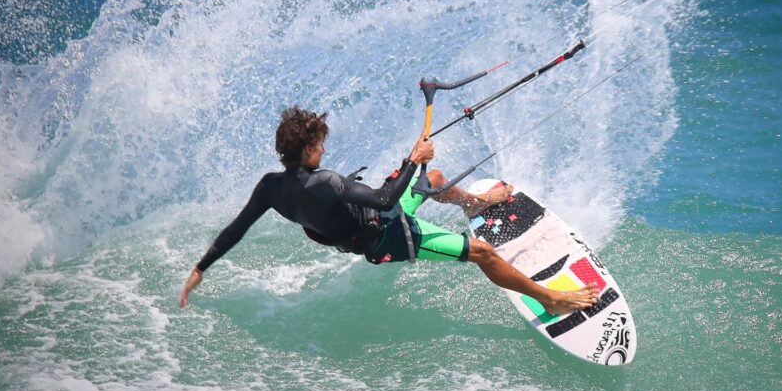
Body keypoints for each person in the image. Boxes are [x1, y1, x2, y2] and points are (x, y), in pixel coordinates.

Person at [179, 106, 598, 315]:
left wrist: (202, 266)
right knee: (483, 253)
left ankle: (476, 201)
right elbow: (383, 200)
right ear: (307, 149)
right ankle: (551, 299)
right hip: (388, 236)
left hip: (376, 222)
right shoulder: (324, 181)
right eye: (320, 144)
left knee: (433, 182)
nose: (324, 149)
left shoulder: (271, 186)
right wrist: (414, 157)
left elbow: (236, 229)